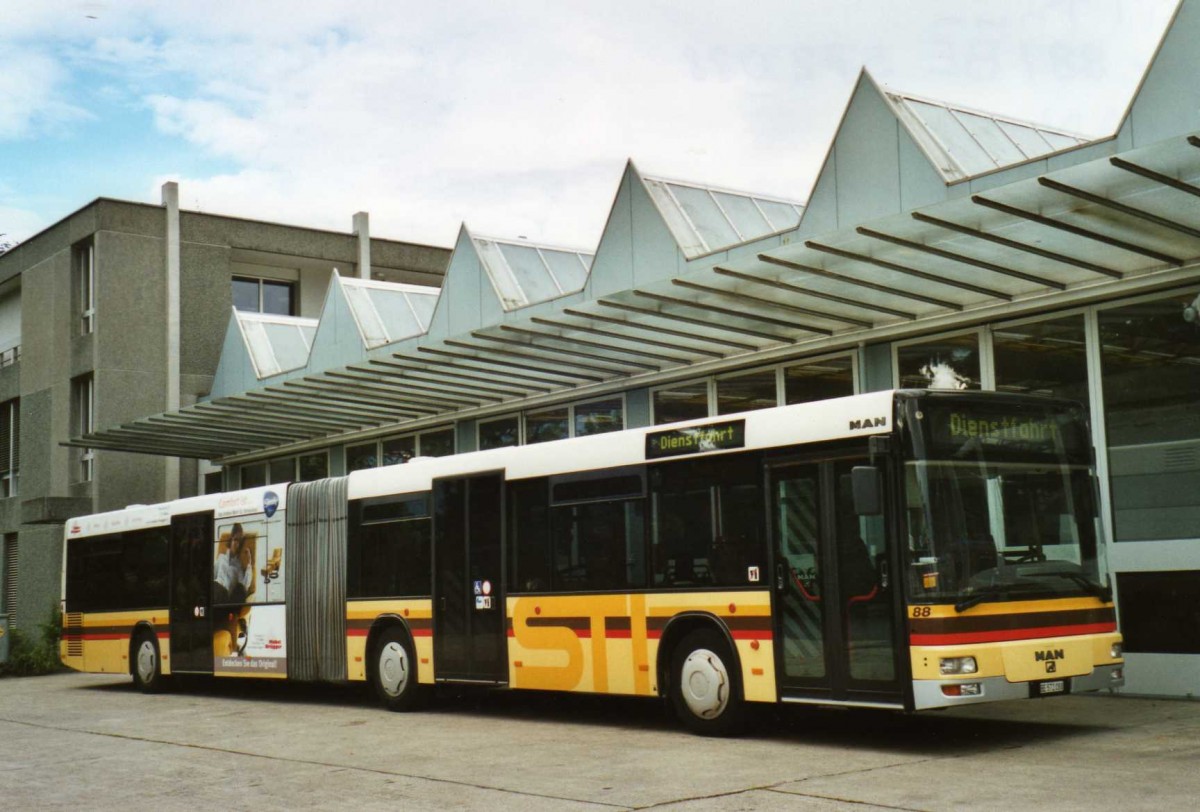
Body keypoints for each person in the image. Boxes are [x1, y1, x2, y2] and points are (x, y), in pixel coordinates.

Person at [213, 524, 253, 605]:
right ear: (231, 539)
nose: (237, 544)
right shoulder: (221, 558)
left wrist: (249, 562)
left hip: (225, 596)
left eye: (240, 542)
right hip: (214, 591)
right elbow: (212, 575)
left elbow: (244, 586)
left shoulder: (238, 566)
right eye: (236, 540)